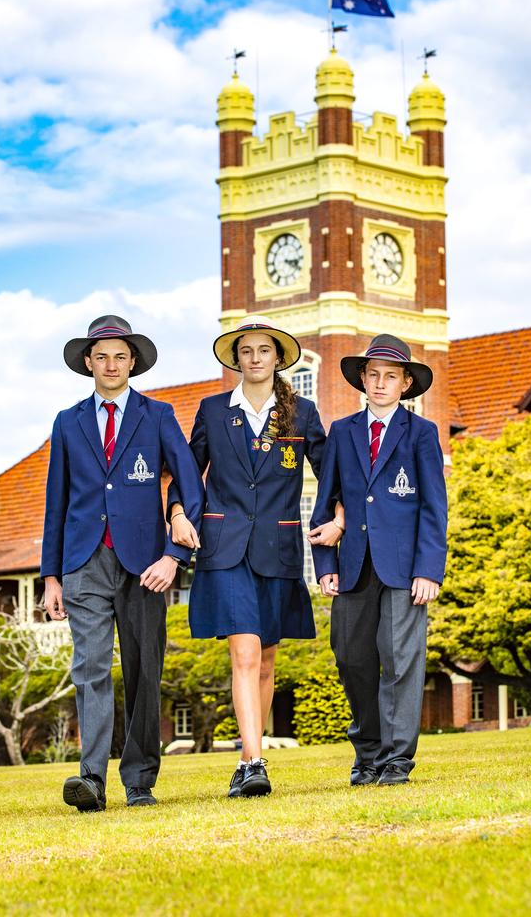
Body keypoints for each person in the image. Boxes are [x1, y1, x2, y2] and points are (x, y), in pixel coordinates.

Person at [169, 316, 343, 798]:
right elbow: (187, 472)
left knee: (267, 661)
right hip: (224, 549)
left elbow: (330, 474)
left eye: (264, 350)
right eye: (246, 351)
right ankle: (252, 761)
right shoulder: (211, 411)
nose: (255, 357)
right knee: (244, 653)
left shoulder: (302, 414)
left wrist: (342, 517)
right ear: (236, 359)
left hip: (280, 547)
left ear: (278, 358)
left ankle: (253, 753)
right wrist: (179, 512)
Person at [41, 315, 203, 812]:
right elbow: (56, 501)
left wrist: (175, 554)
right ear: (88, 363)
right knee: (89, 667)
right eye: (101, 356)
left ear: (133, 362)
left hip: (145, 564)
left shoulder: (157, 416)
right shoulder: (67, 422)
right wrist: (51, 576)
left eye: (120, 356)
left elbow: (191, 483)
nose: (111, 364)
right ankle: (91, 779)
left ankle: (139, 781)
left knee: (142, 669)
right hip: (84, 561)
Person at [309, 333, 447, 786]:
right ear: (362, 380)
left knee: (400, 659)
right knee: (351, 658)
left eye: (391, 376)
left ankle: (395, 760)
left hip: (406, 569)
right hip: (351, 566)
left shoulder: (422, 434)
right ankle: (367, 750)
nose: (381, 383)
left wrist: (430, 568)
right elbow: (325, 503)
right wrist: (325, 565)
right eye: (374, 375)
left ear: (406, 383)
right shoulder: (343, 432)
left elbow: (433, 506)